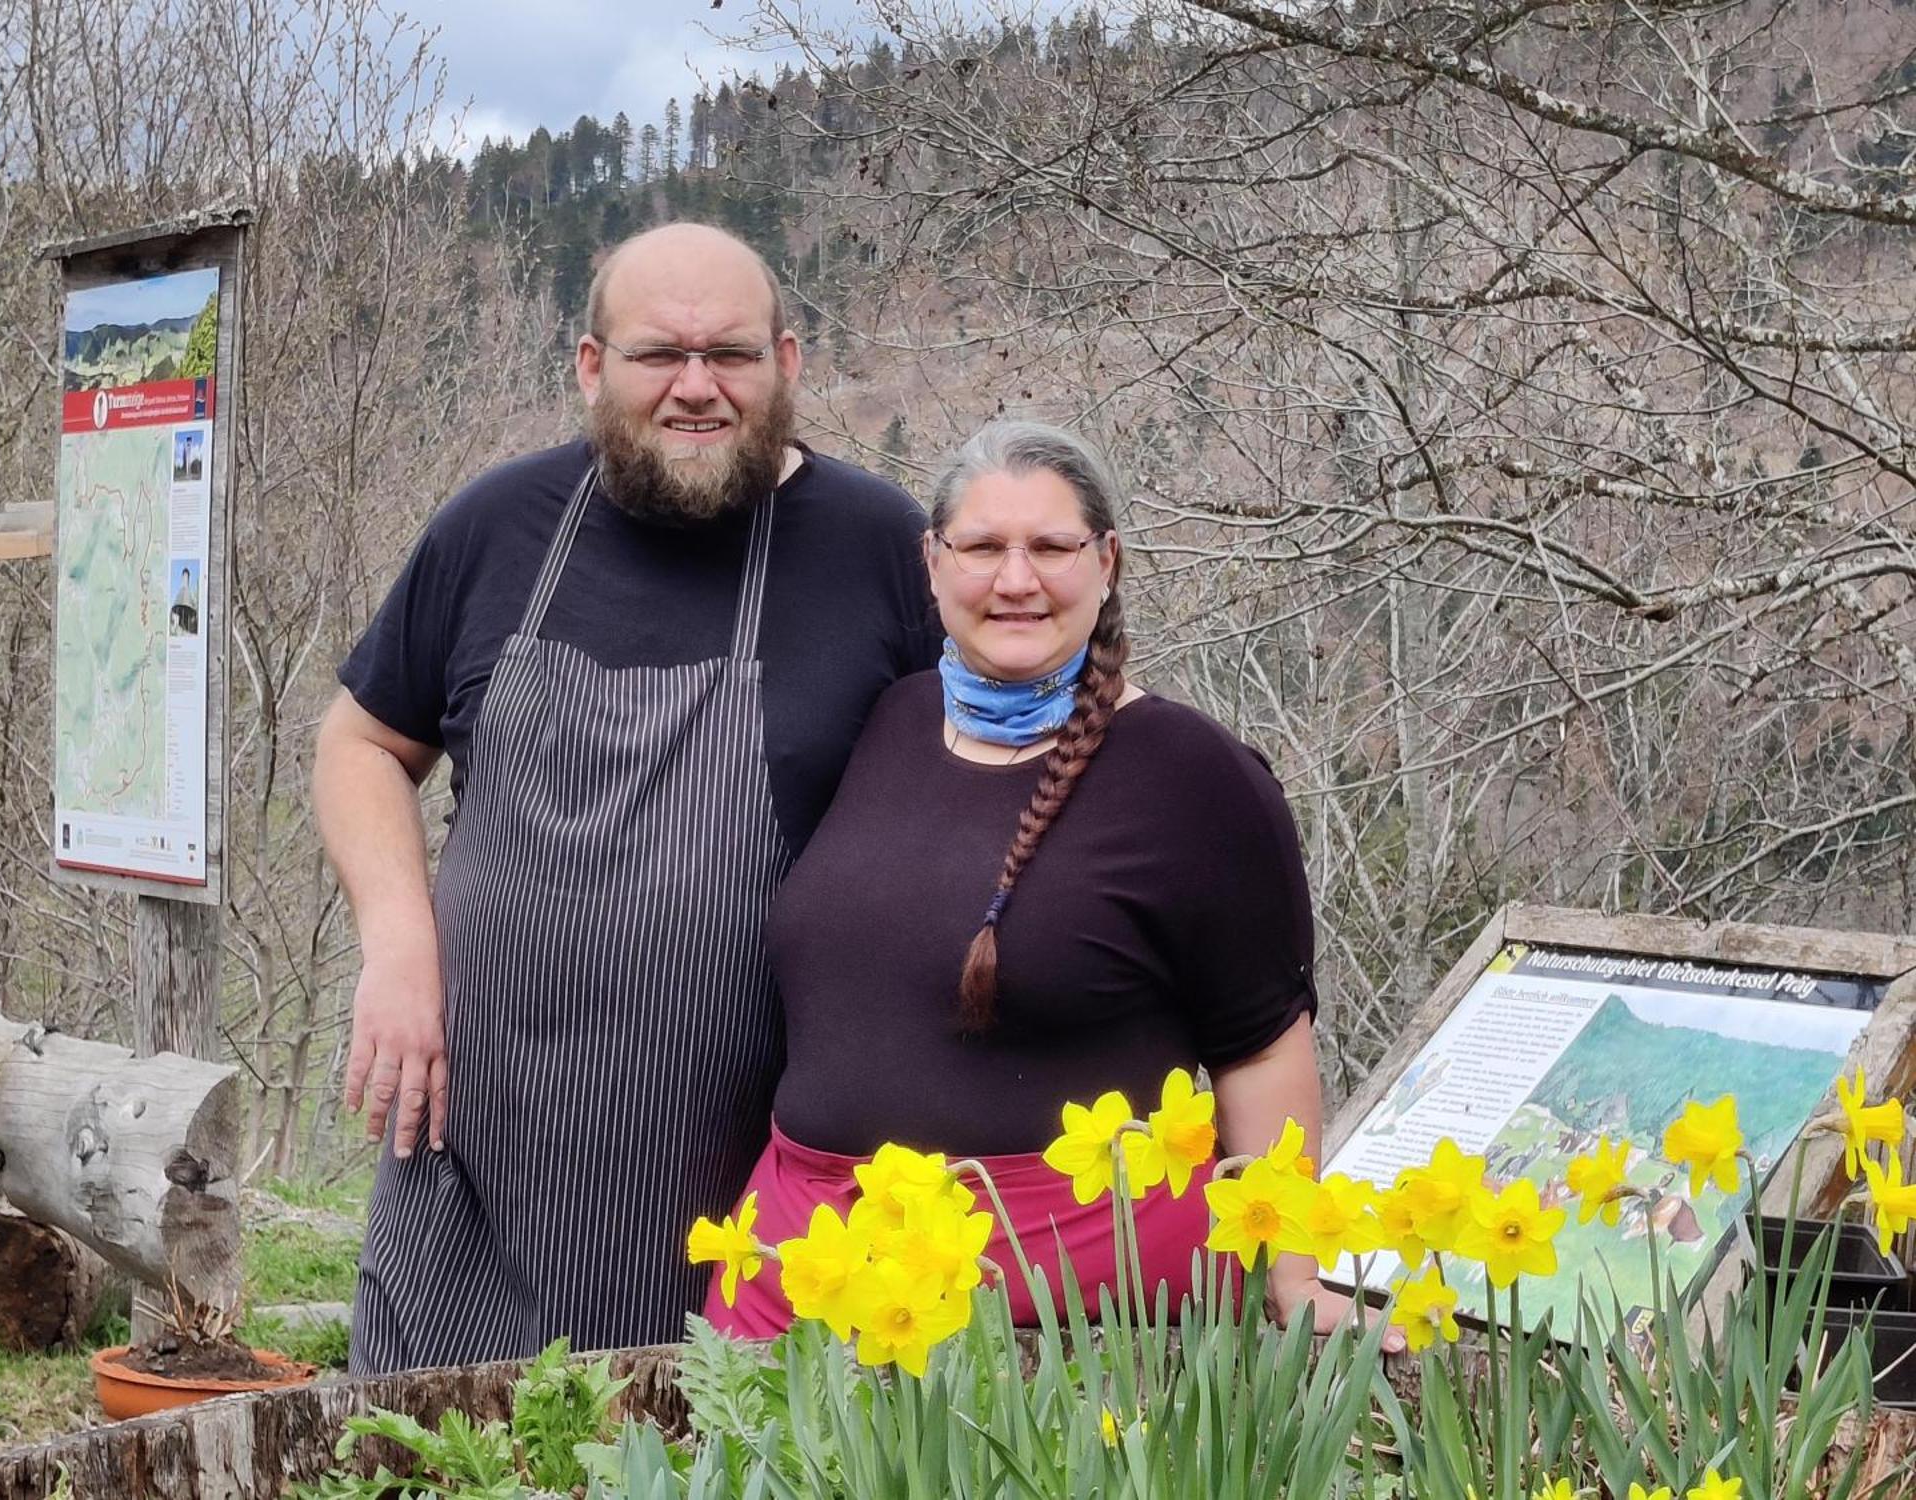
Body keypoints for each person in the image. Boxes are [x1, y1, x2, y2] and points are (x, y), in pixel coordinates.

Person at [314, 222, 939, 1374]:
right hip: (473, 1159)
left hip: (741, 1186)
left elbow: (996, 763)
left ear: (788, 364)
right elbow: (360, 742)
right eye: (659, 354)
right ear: (591, 367)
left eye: (732, 356)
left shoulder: (883, 548)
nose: (696, 388)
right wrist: (395, 943)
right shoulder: (494, 527)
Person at [707, 420, 1395, 1346]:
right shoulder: (890, 721)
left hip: (1066, 1307)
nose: (1016, 579)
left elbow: (1264, 1048)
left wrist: (1296, 1270)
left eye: (1052, 546)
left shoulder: (1193, 773)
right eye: (984, 546)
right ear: (934, 563)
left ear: (1106, 560)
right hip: (810, 1265)